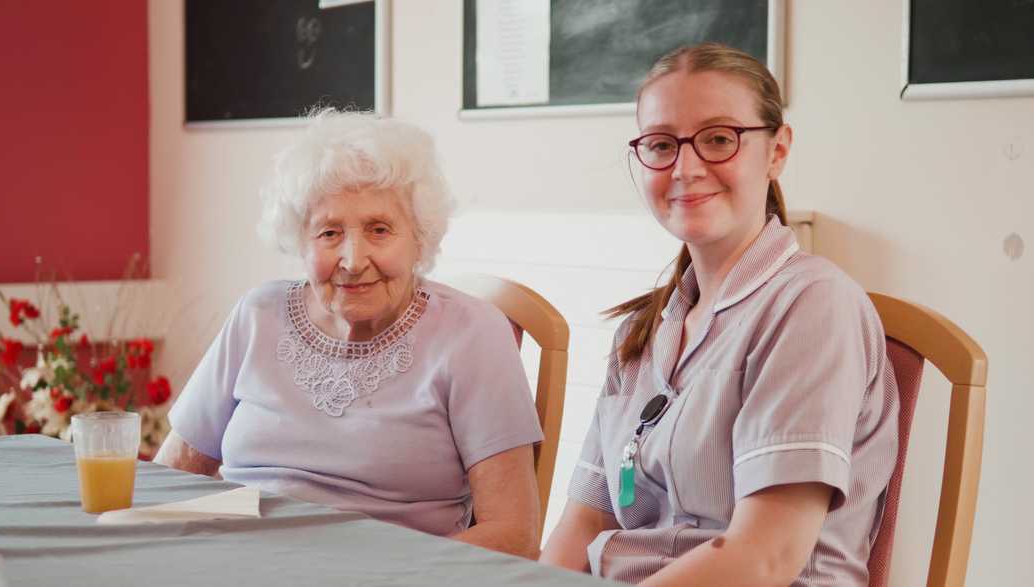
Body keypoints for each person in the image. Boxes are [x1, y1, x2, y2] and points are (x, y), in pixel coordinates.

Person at [540, 43, 899, 585]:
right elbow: (582, 521)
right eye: (661, 144)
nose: (686, 168)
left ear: (777, 150)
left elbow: (763, 558)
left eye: (718, 139)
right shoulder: (638, 334)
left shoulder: (813, 306)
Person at [155, 109, 543, 559]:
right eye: (329, 233)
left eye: (379, 230)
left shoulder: (472, 334)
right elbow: (173, 474)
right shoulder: (258, 314)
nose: (353, 259)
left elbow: (514, 534)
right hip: (235, 561)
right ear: (300, 241)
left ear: (420, 239)